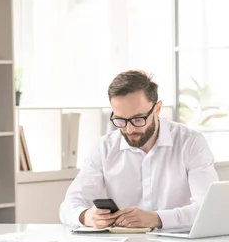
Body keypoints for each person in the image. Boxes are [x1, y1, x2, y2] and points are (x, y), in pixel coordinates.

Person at [59, 70, 218, 230]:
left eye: (138, 119)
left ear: (157, 109)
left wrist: (157, 219)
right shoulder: (104, 148)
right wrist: (86, 216)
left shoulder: (190, 143)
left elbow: (208, 208)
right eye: (120, 120)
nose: (129, 129)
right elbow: (68, 206)